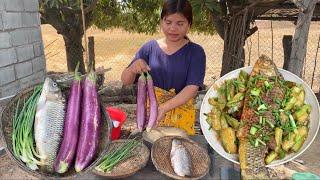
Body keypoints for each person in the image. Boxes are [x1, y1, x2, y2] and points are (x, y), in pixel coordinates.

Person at [121, 0, 206, 134]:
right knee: (152, 147)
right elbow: (126, 81)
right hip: (151, 117)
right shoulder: (149, 48)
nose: (173, 28)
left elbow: (192, 88)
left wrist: (163, 108)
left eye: (180, 23)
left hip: (181, 116)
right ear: (161, 22)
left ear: (189, 25)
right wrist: (132, 69)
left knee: (178, 149)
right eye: (168, 22)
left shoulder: (195, 52)